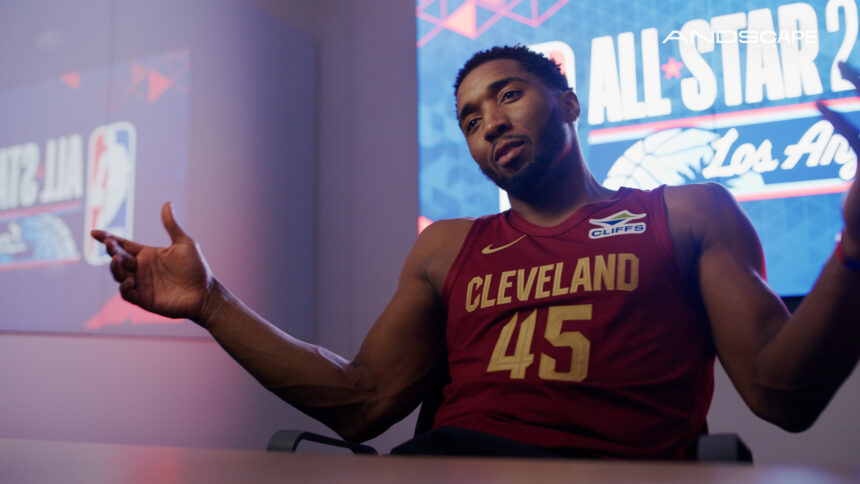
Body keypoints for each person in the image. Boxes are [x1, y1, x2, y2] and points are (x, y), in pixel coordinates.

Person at [91, 45, 860, 459]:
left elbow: (782, 394)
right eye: (468, 118)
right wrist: (212, 304)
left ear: (568, 104)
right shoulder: (447, 247)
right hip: (448, 466)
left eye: (508, 94)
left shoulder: (687, 213)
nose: (488, 121)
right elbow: (361, 403)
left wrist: (855, 246)